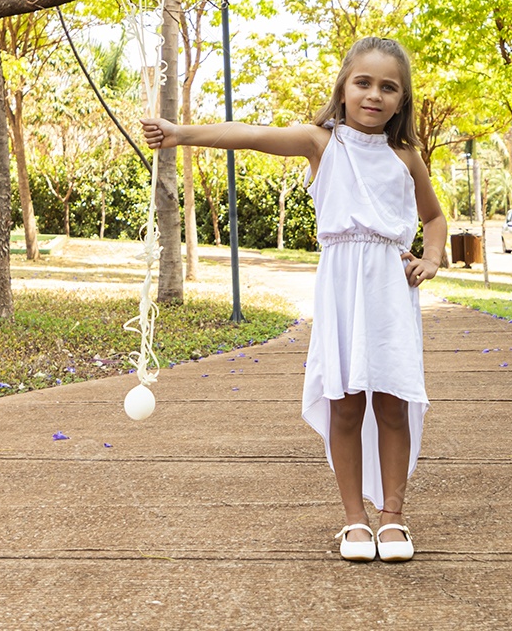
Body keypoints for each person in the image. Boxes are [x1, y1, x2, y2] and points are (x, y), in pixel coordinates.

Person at [141, 36, 447, 564]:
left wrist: (433, 258)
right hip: (340, 287)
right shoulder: (322, 143)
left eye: (388, 87)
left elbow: (435, 218)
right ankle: (354, 519)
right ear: (344, 88)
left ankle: (393, 517)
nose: (374, 94)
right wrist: (178, 134)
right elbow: (251, 135)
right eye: (364, 83)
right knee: (346, 405)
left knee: (394, 403)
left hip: (390, 292)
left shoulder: (407, 158)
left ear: (402, 100)